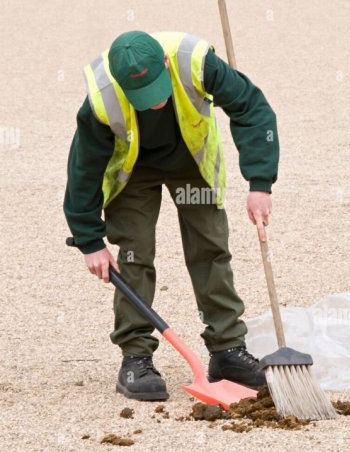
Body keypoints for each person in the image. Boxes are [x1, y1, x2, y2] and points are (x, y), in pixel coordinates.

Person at [64, 30, 279, 401]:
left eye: (155, 90)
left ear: (164, 63)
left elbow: (251, 107)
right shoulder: (101, 98)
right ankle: (136, 359)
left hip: (190, 163)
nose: (152, 104)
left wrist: (260, 182)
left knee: (210, 249)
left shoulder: (195, 61)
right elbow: (83, 168)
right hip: (133, 171)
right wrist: (89, 240)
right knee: (135, 254)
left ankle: (227, 350)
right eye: (141, 99)